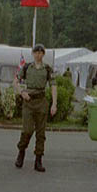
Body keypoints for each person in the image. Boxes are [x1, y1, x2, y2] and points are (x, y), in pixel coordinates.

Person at [13, 44, 58, 172]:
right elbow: (15, 82)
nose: (38, 55)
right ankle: (21, 151)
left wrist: (54, 104)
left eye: (40, 52)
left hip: (41, 102)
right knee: (27, 130)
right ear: (33, 54)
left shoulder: (47, 69)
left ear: (43, 54)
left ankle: (38, 160)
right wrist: (22, 92)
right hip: (28, 102)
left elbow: (53, 86)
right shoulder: (27, 67)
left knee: (41, 133)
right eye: (36, 52)